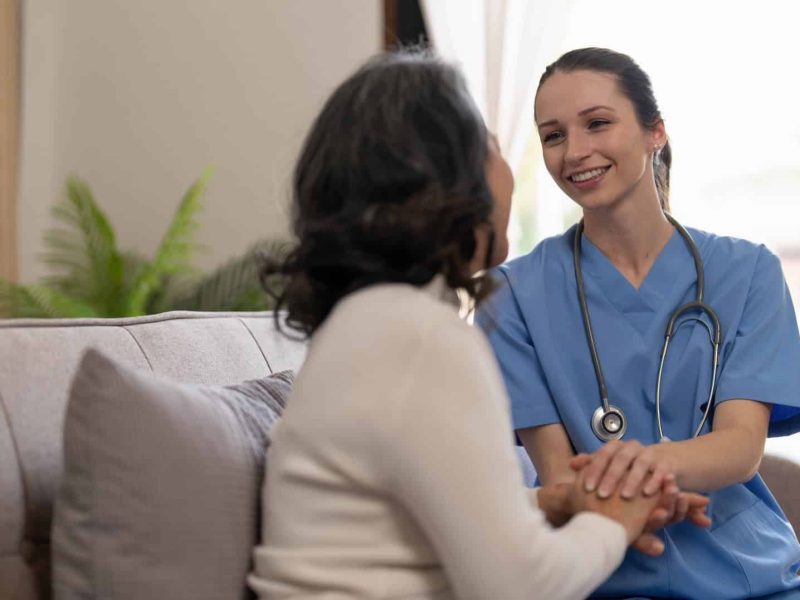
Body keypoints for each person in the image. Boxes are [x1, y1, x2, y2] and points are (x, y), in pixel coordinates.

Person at [247, 50, 708, 600]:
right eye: (491, 144)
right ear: (446, 182)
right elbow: (524, 586)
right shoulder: (423, 339)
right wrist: (614, 521)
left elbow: (406, 521)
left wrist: (560, 503)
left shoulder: (369, 324)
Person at [477, 46, 800, 599]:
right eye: (553, 136)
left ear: (655, 132)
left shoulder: (747, 273)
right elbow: (558, 478)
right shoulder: (510, 297)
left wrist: (634, 466)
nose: (575, 152)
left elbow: (740, 447)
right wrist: (650, 479)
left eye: (597, 123)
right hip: (600, 576)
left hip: (746, 579)